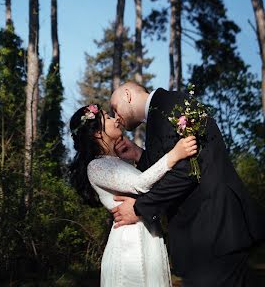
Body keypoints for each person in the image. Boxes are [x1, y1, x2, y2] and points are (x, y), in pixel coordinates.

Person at [110, 81, 265, 287]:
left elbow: (188, 171)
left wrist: (139, 208)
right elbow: (173, 165)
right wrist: (139, 154)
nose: (115, 118)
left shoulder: (171, 106)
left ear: (127, 94)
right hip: (207, 235)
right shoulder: (161, 111)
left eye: (114, 108)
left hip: (213, 230)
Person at [69, 103, 198, 286]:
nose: (115, 119)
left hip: (148, 239)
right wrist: (174, 155)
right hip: (130, 247)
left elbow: (153, 186)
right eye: (108, 116)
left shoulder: (118, 162)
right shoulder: (96, 166)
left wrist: (136, 154)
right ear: (98, 133)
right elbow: (141, 184)